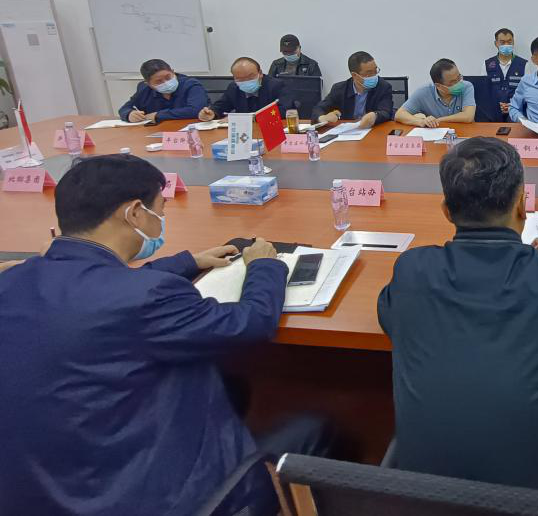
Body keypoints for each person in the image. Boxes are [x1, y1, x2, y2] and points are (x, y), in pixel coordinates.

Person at [0, 154, 330, 516]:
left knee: (229, 385)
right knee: (317, 430)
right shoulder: (145, 297)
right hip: (150, 500)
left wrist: (187, 262)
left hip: (43, 492)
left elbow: (92, 285)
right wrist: (265, 265)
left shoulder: (12, 281)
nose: (161, 219)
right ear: (135, 213)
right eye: (160, 209)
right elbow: (251, 323)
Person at [378, 138, 538, 496]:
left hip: (426, 498)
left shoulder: (412, 271)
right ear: (521, 205)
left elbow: (390, 316)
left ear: (446, 211)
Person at [311, 50, 394, 127]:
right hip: (347, 132)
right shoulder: (339, 89)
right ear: (354, 75)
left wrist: (375, 116)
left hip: (374, 130)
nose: (374, 76)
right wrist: (322, 118)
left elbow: (386, 112)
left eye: (375, 71)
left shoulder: (383, 86)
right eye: (369, 73)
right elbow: (318, 108)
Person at [118, 58, 209, 123]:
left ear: (173, 72)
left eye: (168, 77)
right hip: (157, 133)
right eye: (158, 81)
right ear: (148, 84)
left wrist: (158, 115)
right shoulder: (144, 89)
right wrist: (129, 114)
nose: (166, 83)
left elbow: (195, 110)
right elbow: (124, 109)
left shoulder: (190, 84)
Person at [199, 57, 286, 121]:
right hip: (244, 133)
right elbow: (221, 106)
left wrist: (246, 118)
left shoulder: (276, 85)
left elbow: (284, 111)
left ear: (260, 73)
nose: (246, 81)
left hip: (269, 130)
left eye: (250, 77)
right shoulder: (233, 87)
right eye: (240, 78)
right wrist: (212, 113)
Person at [395, 58, 476, 127]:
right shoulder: (424, 92)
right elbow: (399, 114)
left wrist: (437, 120)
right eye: (453, 82)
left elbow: (468, 116)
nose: (459, 83)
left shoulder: (466, 87)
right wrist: (422, 121)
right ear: (438, 86)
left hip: (464, 132)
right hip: (436, 134)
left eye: (459, 77)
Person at [485, 28, 528, 117]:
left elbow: (527, 91)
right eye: (502, 42)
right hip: (493, 112)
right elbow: (484, 91)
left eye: (509, 41)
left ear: (513, 42)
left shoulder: (524, 64)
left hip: (517, 112)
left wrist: (513, 105)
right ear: (496, 43)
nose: (506, 45)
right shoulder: (487, 64)